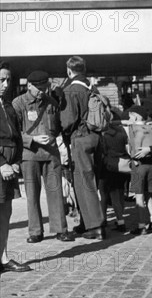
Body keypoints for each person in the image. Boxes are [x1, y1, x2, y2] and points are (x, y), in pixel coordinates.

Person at [13, 70, 73, 243]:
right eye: (38, 87)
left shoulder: (51, 102)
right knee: (32, 194)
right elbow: (15, 132)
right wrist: (32, 139)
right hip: (29, 155)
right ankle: (35, 231)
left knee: (55, 192)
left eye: (44, 87)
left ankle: (60, 229)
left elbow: (57, 126)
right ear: (29, 85)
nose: (41, 91)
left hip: (51, 154)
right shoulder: (18, 103)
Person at [60, 56, 105, 240]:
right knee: (91, 180)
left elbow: (68, 121)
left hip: (80, 138)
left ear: (69, 71)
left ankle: (95, 226)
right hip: (96, 137)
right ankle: (87, 222)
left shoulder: (71, 90)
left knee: (83, 181)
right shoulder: (92, 88)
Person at [0, 62, 32, 273]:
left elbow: (18, 137)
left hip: (11, 164)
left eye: (8, 80)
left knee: (5, 210)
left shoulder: (8, 105)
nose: (5, 84)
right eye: (1, 80)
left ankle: (2, 258)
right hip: (2, 163)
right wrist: (1, 164)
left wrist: (17, 162)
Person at [127, 105, 152, 235]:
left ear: (135, 116)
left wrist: (133, 158)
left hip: (138, 164)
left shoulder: (135, 128)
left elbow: (134, 146)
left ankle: (141, 225)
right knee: (149, 194)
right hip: (151, 164)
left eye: (130, 115)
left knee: (139, 196)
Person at [98, 108, 130, 232]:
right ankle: (121, 220)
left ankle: (103, 220)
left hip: (107, 166)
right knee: (119, 194)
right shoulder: (121, 130)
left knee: (104, 195)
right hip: (122, 164)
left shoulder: (102, 133)